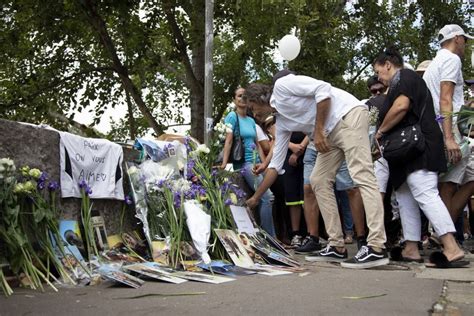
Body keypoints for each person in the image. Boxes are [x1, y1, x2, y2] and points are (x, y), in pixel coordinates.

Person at [245, 70, 388, 269]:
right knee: (318, 179)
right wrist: (255, 198)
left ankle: (376, 246)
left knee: (362, 175)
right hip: (330, 133)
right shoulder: (283, 122)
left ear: (259, 98)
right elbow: (276, 165)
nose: (254, 114)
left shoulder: (283, 86)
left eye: (252, 108)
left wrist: (318, 130)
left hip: (348, 116)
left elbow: (323, 90)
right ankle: (336, 245)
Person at [374, 47, 466, 266]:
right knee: (405, 197)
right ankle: (411, 247)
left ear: (388, 64)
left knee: (425, 192)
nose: (378, 77)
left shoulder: (403, 76)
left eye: (378, 71)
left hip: (418, 148)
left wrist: (380, 131)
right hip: (406, 153)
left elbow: (401, 106)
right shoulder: (398, 83)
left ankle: (451, 247)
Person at [423, 24, 474, 232]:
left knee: (451, 182)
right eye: (465, 40)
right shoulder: (451, 59)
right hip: (449, 128)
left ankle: (442, 232)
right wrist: (449, 137)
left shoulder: (435, 63)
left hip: (439, 126)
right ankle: (443, 233)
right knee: (449, 184)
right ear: (457, 38)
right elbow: (446, 98)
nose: (466, 45)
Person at [221, 87, 276, 237]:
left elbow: (257, 144)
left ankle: (266, 234)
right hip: (245, 163)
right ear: (234, 100)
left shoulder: (252, 120)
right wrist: (224, 163)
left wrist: (265, 164)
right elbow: (229, 141)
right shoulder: (232, 117)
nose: (242, 98)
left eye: (245, 95)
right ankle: (270, 238)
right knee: (267, 196)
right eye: (239, 96)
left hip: (258, 163)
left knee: (269, 198)